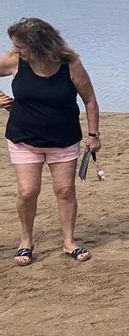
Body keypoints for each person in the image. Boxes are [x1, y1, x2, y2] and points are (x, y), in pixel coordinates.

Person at [0, 17, 100, 265]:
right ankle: (26, 241)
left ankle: (69, 241)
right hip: (24, 138)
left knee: (65, 190)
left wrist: (93, 135)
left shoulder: (71, 64)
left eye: (21, 46)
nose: (16, 50)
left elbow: (90, 100)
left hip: (63, 139)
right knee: (27, 191)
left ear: (41, 44)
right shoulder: (15, 60)